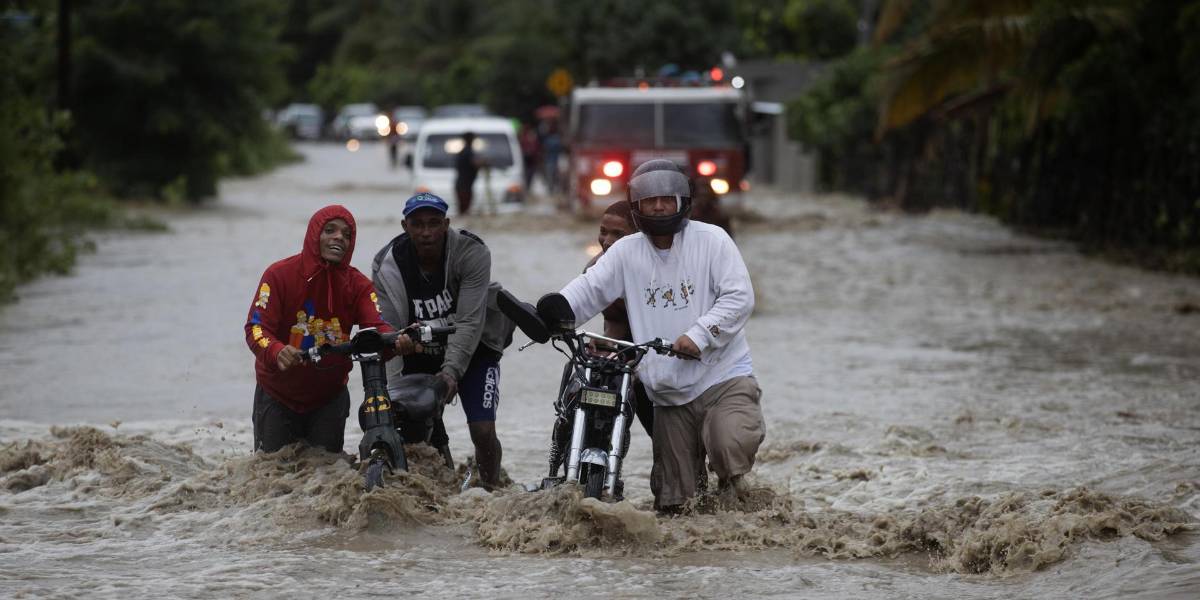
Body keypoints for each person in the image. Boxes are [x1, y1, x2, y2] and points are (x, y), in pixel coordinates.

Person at [557, 160, 764, 511]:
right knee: (674, 506)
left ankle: (739, 510)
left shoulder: (713, 240)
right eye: (649, 200)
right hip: (667, 393)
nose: (658, 206)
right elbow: (589, 290)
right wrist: (553, 311)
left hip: (721, 376)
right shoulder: (625, 252)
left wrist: (699, 335)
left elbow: (740, 297)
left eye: (666, 198)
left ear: (683, 201)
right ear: (636, 206)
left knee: (728, 446)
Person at [244, 205, 413, 454]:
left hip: (329, 399)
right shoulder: (278, 275)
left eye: (346, 234)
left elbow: (376, 327)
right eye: (330, 230)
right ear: (314, 235)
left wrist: (397, 341)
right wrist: (276, 350)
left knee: (327, 478)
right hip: (276, 394)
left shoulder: (359, 286)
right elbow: (256, 327)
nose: (339, 238)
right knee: (272, 479)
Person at [372, 192, 513, 488]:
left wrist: (451, 373)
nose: (426, 233)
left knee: (483, 429)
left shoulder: (471, 252)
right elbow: (388, 329)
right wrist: (391, 392)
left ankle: (492, 491)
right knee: (411, 429)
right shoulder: (387, 264)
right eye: (418, 224)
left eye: (434, 224)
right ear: (404, 226)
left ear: (446, 224)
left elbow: (470, 321)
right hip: (419, 351)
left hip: (475, 347)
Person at [581, 201, 654, 437]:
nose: (608, 241)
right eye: (603, 232)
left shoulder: (656, 269)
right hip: (626, 350)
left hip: (659, 348)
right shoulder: (595, 268)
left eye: (618, 234)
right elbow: (615, 321)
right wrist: (604, 343)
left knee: (663, 435)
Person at [454, 131, 481, 215]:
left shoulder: (464, 151)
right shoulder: (467, 152)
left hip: (464, 185)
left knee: (464, 209)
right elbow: (475, 163)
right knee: (464, 209)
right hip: (464, 185)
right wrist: (484, 163)